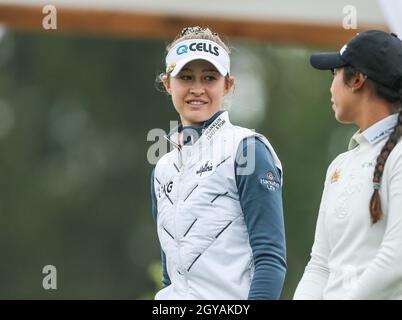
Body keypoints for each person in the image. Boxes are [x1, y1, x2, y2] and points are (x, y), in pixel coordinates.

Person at [150, 26, 286, 300]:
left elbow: (270, 259)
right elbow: (172, 274)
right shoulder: (163, 168)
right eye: (186, 77)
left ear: (227, 85)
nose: (197, 89)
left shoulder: (247, 148)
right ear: (168, 84)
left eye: (209, 77)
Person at [294, 30, 402, 299]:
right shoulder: (339, 165)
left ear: (357, 79)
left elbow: (397, 257)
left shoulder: (399, 154)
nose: (331, 87)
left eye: (334, 74)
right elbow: (320, 263)